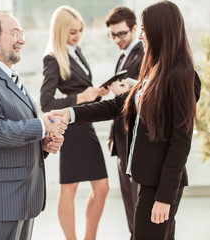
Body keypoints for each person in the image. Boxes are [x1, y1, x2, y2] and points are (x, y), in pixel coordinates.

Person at [51, 1, 201, 239]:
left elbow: (180, 142)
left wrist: (164, 197)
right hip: (145, 178)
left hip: (159, 186)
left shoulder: (182, 76)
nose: (140, 35)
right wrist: (71, 113)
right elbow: (118, 106)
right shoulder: (154, 69)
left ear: (160, 30)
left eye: (144, 29)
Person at [0, 10, 67, 240]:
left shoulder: (9, 78)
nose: (22, 40)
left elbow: (15, 128)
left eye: (23, 33)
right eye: (15, 33)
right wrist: (42, 127)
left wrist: (43, 143)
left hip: (19, 198)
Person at [40, 6, 109, 240]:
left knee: (102, 188)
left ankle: (90, 238)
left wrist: (97, 93)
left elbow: (81, 90)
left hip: (84, 123)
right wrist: (81, 97)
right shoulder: (53, 58)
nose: (77, 35)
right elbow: (46, 101)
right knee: (69, 187)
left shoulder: (76, 52)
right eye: (72, 32)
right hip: (71, 129)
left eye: (80, 30)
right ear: (60, 32)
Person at [104, 6, 144, 239]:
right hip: (122, 138)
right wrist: (112, 133)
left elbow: (146, 94)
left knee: (137, 200)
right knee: (129, 200)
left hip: (135, 140)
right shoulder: (123, 56)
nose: (117, 39)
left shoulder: (143, 54)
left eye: (122, 34)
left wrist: (128, 91)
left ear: (134, 29)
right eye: (113, 35)